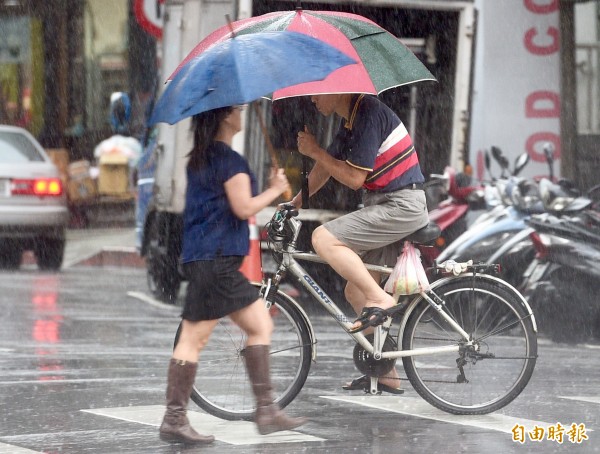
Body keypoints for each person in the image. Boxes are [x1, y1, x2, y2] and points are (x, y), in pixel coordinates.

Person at [159, 105, 306, 445]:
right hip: (219, 261)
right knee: (253, 326)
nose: (242, 114)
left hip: (202, 258)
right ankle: (264, 410)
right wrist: (273, 189)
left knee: (197, 338)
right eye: (238, 110)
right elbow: (242, 207)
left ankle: (177, 417)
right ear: (226, 117)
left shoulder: (201, 156)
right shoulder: (229, 161)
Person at [293, 93, 429, 394]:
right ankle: (385, 372)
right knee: (356, 290)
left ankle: (381, 300)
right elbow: (325, 170)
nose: (313, 100)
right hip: (384, 205)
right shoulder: (350, 119)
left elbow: (354, 178)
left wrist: (315, 150)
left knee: (322, 237)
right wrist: (293, 204)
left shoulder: (368, 112)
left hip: (399, 205)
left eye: (316, 92)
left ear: (336, 88)